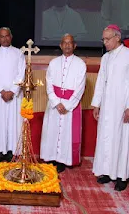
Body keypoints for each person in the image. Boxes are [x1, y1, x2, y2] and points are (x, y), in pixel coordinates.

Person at [40, 33, 86, 173]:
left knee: (67, 132)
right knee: (52, 131)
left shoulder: (80, 64)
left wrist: (68, 105)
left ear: (74, 45)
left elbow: (80, 87)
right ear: (60, 45)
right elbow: (49, 84)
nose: (67, 45)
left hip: (70, 105)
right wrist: (56, 102)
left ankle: (63, 160)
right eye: (64, 42)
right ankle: (51, 157)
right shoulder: (53, 63)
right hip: (55, 103)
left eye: (70, 42)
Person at [92, 24, 129, 191]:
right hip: (107, 105)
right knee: (106, 138)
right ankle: (106, 172)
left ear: (117, 38)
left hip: (122, 106)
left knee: (121, 140)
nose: (105, 42)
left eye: (107, 39)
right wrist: (96, 104)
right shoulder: (105, 57)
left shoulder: (127, 55)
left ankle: (122, 176)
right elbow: (100, 81)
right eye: (103, 39)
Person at [0, 27, 26, 166]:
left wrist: (13, 91)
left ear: (11, 37)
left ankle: (11, 152)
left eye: (7, 36)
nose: (4, 39)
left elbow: (21, 74)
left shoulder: (19, 53)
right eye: (1, 36)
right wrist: (2, 92)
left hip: (14, 96)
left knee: (13, 123)